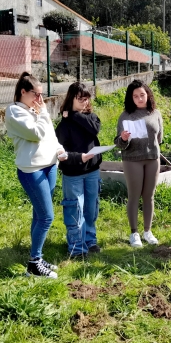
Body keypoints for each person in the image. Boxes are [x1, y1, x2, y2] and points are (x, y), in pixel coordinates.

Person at [5, 72, 66, 278]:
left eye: (42, 94)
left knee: (39, 215)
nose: (40, 99)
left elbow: (50, 135)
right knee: (47, 217)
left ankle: (37, 257)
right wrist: (43, 114)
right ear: (23, 92)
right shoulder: (15, 112)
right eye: (36, 94)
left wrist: (59, 149)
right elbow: (36, 133)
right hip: (32, 170)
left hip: (50, 166)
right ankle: (33, 264)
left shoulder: (36, 110)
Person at [55, 82, 102, 258]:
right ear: (71, 98)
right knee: (75, 209)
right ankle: (76, 246)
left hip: (92, 171)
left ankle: (90, 241)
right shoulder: (64, 126)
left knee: (91, 209)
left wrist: (74, 115)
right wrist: (78, 157)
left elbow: (94, 128)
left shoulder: (90, 118)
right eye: (80, 99)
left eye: (86, 99)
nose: (84, 102)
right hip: (72, 173)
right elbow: (60, 151)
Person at [114, 80, 163, 248]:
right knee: (134, 196)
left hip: (152, 159)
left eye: (142, 95)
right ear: (131, 98)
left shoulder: (155, 113)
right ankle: (134, 232)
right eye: (135, 96)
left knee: (149, 196)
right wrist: (124, 138)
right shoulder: (125, 115)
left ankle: (147, 231)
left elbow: (159, 138)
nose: (139, 98)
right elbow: (118, 142)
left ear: (148, 95)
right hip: (132, 159)